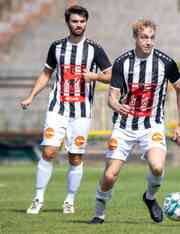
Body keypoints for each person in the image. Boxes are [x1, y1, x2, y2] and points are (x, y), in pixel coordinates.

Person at [89, 19, 180, 224]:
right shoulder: (122, 62)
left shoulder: (166, 62)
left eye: (152, 37)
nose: (148, 42)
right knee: (110, 175)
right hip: (124, 127)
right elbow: (112, 97)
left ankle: (150, 198)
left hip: (152, 125)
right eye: (144, 37)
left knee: (158, 166)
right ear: (135, 37)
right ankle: (99, 214)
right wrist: (116, 105)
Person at [21, 5, 112, 214]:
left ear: (86, 22)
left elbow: (111, 75)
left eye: (82, 21)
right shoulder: (56, 47)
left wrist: (95, 76)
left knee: (75, 157)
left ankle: (69, 200)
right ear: (68, 23)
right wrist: (31, 96)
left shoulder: (94, 49)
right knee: (49, 151)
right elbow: (46, 74)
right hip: (57, 108)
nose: (78, 25)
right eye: (75, 21)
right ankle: (38, 198)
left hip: (81, 111)